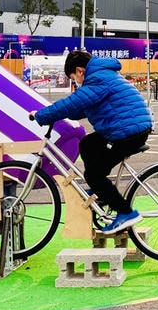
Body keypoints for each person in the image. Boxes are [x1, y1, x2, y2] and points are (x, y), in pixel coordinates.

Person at [29, 50, 148, 234]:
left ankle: (125, 213)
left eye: (73, 78)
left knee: (93, 176)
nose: (76, 82)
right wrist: (60, 114)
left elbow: (73, 103)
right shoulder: (103, 73)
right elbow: (82, 107)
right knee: (87, 144)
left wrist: (42, 115)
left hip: (126, 132)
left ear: (79, 70)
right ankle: (102, 192)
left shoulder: (96, 79)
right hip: (128, 128)